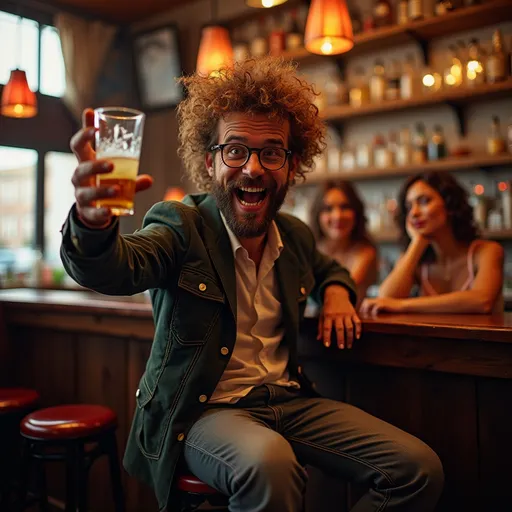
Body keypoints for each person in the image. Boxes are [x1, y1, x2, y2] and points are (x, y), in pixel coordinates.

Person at [61, 57, 443, 512]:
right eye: (236, 149)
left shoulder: (297, 236)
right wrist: (91, 223)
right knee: (271, 463)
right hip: (204, 412)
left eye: (272, 151)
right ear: (210, 160)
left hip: (291, 401)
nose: (254, 167)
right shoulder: (180, 225)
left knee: (417, 468)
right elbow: (115, 268)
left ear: (292, 163)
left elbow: (330, 271)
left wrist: (338, 293)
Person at [361, 171, 504, 315]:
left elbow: (482, 301)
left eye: (424, 201)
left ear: (449, 204)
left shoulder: (487, 251)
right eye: (409, 207)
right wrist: (417, 243)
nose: (414, 213)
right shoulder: (416, 259)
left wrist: (402, 305)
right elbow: (384, 299)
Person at [310, 180, 377, 304]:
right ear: (317, 215)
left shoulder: (365, 253)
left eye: (344, 207)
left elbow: (339, 295)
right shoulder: (309, 251)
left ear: (356, 213)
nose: (337, 216)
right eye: (328, 209)